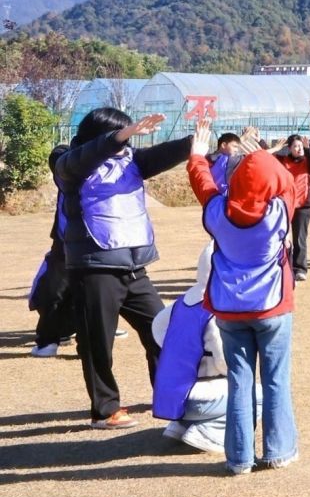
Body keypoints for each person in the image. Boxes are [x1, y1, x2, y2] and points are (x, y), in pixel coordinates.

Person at [54, 108, 191, 429]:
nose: (128, 143)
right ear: (100, 135)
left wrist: (194, 142)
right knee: (97, 343)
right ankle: (105, 410)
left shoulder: (132, 160)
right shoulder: (67, 162)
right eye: (122, 136)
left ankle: (168, 396)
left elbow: (162, 154)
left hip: (134, 268)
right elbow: (82, 158)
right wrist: (119, 136)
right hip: (94, 267)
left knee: (163, 331)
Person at [187, 120, 299, 475]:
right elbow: (287, 182)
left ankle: (239, 459)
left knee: (239, 380)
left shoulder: (217, 212)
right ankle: (279, 451)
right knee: (276, 379)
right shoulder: (278, 212)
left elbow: (203, 184)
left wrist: (197, 155)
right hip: (273, 307)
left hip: (229, 309)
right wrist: (262, 156)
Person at [151, 245, 240, 455]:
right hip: (199, 399)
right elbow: (225, 363)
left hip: (171, 392)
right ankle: (209, 432)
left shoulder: (181, 303)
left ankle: (179, 425)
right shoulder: (217, 311)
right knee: (256, 394)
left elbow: (157, 328)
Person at [28, 144, 78, 357]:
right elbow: (57, 155)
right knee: (54, 291)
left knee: (96, 291)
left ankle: (86, 334)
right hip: (67, 242)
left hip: (91, 242)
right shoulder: (68, 162)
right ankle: (52, 338)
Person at [272, 134, 310, 283]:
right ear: (289, 148)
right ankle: (281, 266)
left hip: (303, 205)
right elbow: (265, 158)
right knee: (279, 237)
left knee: (299, 238)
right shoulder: (282, 161)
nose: (299, 149)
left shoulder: (308, 162)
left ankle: (300, 269)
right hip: (285, 205)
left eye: (300, 146)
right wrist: (261, 141)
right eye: (295, 146)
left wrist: (308, 148)